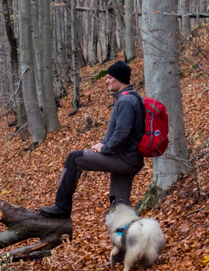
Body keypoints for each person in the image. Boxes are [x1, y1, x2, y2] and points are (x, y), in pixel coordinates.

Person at [39, 61, 144, 218]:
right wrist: (103, 143)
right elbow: (117, 130)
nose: (106, 81)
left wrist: (105, 148)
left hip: (124, 159)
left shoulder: (126, 101)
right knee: (120, 209)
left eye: (109, 77)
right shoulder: (131, 98)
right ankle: (129, 239)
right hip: (130, 158)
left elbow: (122, 133)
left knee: (74, 158)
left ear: (119, 78)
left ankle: (62, 207)